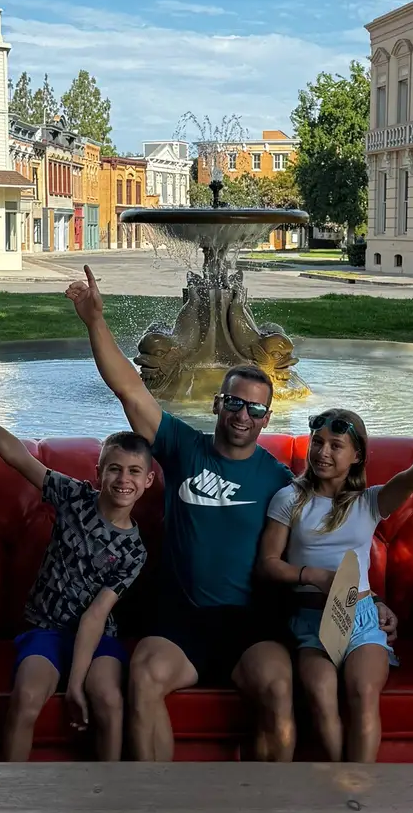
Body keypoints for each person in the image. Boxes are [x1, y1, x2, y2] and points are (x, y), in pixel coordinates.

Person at [65, 264, 314, 762]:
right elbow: (131, 391)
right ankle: (160, 808)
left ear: (268, 417)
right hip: (181, 620)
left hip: (248, 623)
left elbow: (334, 536)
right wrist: (95, 321)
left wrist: (370, 604)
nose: (243, 416)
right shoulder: (183, 448)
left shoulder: (279, 479)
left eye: (256, 410)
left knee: (279, 688)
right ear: (219, 405)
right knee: (144, 675)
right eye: (234, 404)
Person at [257, 403, 413, 764]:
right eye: (317, 442)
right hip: (311, 620)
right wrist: (312, 576)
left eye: (335, 445)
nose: (322, 452)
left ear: (357, 455)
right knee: (320, 690)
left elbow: (412, 478)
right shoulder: (290, 500)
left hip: (360, 619)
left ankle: (360, 792)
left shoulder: (369, 502)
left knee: (362, 690)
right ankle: (335, 785)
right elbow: (267, 566)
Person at [0, 365, 153, 762]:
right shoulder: (73, 497)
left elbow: (96, 616)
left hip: (98, 638)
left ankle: (107, 797)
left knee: (110, 702)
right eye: (114, 468)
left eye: (135, 471)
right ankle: (11, 797)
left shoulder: (135, 550)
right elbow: (17, 457)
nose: (123, 479)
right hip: (45, 630)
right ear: (98, 473)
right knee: (27, 697)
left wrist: (78, 684)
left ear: (147, 481)